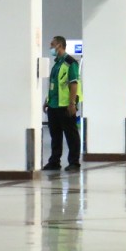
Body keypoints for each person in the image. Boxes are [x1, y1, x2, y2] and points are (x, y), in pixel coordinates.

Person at [44, 35, 82, 173]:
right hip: (54, 105)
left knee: (71, 135)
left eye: (52, 44)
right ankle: (54, 161)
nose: (50, 47)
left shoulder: (70, 63)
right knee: (55, 135)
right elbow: (54, 84)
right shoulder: (57, 64)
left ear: (59, 45)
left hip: (65, 105)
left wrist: (72, 103)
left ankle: (74, 162)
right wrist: (47, 101)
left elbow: (73, 84)